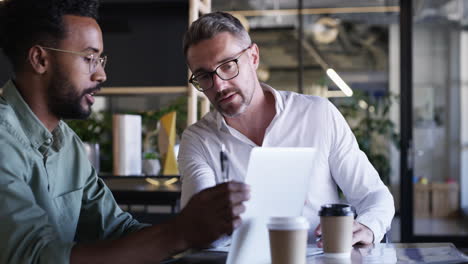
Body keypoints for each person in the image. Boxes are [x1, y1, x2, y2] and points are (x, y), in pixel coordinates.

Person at [0, 1, 250, 263]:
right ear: (40, 59)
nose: (101, 74)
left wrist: (206, 242)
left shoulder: (67, 144)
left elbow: (116, 231)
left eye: (100, 60)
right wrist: (180, 233)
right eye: (89, 58)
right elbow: (35, 257)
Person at [178, 11, 395, 246]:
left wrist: (367, 226)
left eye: (228, 65)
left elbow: (374, 196)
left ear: (253, 57)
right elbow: (197, 228)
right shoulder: (198, 140)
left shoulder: (318, 115)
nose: (219, 84)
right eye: (203, 76)